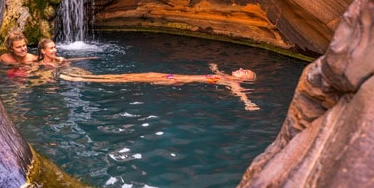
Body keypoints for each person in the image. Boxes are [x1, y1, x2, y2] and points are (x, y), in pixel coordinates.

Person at [59, 63, 260, 111]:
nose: (241, 69)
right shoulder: (224, 75)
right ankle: (91, 77)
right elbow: (214, 71)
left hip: (175, 80)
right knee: (132, 76)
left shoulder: (233, 83)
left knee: (130, 80)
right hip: (172, 76)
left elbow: (239, 93)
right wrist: (214, 66)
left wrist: (247, 102)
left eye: (245, 72)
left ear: (244, 80)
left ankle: (84, 80)